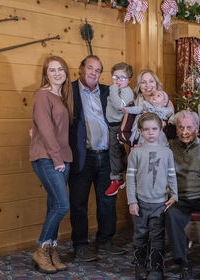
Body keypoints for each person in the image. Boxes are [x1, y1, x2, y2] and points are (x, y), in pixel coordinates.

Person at [68, 55, 125, 262]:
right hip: (82, 156)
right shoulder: (69, 90)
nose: (93, 73)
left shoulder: (108, 92)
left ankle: (105, 241)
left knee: (107, 201)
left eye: (98, 70)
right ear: (81, 69)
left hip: (107, 156)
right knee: (79, 203)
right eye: (90, 68)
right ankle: (81, 245)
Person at [29, 56, 73, 273]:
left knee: (53, 206)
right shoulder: (42, 94)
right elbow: (45, 129)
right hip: (47, 158)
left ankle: (51, 249)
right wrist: (57, 159)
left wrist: (63, 158)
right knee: (62, 205)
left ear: (66, 72)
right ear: (46, 73)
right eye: (52, 70)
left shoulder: (61, 96)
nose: (57, 73)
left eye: (60, 69)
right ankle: (41, 249)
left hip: (63, 158)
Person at [126, 112, 178, 280]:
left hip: (160, 203)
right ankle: (140, 265)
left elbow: (172, 176)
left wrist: (174, 195)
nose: (151, 132)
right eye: (146, 129)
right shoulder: (135, 153)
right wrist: (132, 201)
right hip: (141, 203)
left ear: (160, 129)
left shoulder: (167, 152)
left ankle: (156, 267)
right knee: (140, 234)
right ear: (140, 131)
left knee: (157, 236)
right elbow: (130, 178)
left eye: (154, 129)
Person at [165, 110, 200, 280]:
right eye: (180, 127)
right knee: (172, 214)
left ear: (197, 127)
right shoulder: (168, 147)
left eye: (189, 127)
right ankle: (181, 261)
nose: (185, 132)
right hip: (181, 199)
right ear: (176, 129)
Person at [119, 69, 174, 146]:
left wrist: (163, 124)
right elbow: (123, 133)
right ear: (139, 86)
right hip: (140, 149)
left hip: (162, 147)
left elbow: (173, 132)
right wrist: (136, 144)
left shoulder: (166, 103)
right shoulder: (133, 105)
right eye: (143, 82)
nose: (148, 85)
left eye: (151, 81)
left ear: (156, 83)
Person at [104, 62, 134, 196]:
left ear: (129, 80)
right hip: (112, 125)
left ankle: (116, 178)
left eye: (122, 77)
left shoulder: (126, 91)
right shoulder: (118, 90)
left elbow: (118, 106)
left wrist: (113, 89)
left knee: (114, 152)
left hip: (119, 125)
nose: (118, 81)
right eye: (115, 77)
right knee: (117, 150)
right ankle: (122, 174)